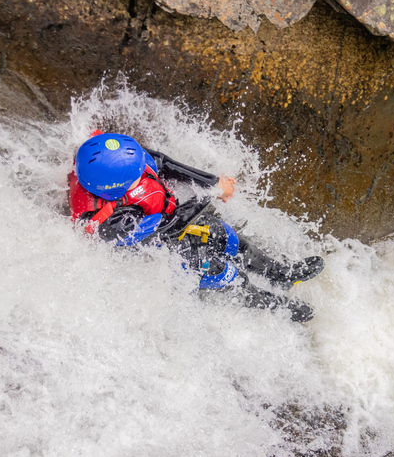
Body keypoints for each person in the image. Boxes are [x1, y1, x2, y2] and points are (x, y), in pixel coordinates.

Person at [67, 130, 324, 322]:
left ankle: (282, 274)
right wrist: (210, 195)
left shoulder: (113, 153)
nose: (143, 168)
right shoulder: (111, 221)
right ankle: (276, 305)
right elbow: (171, 225)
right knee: (222, 274)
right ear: (113, 189)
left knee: (224, 235)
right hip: (161, 251)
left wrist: (212, 182)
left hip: (170, 225)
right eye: (136, 174)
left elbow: (163, 163)